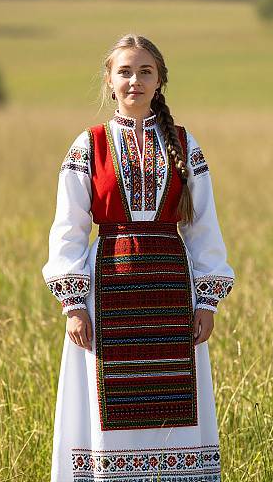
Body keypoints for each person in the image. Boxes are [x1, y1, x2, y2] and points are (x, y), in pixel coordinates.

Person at [42, 33, 235, 482]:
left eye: (145, 71)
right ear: (109, 82)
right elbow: (68, 228)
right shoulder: (88, 145)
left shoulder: (185, 144)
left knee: (174, 403)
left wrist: (206, 301)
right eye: (125, 71)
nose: (135, 80)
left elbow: (204, 227)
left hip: (171, 289)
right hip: (108, 291)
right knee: (109, 402)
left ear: (160, 80)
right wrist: (73, 304)